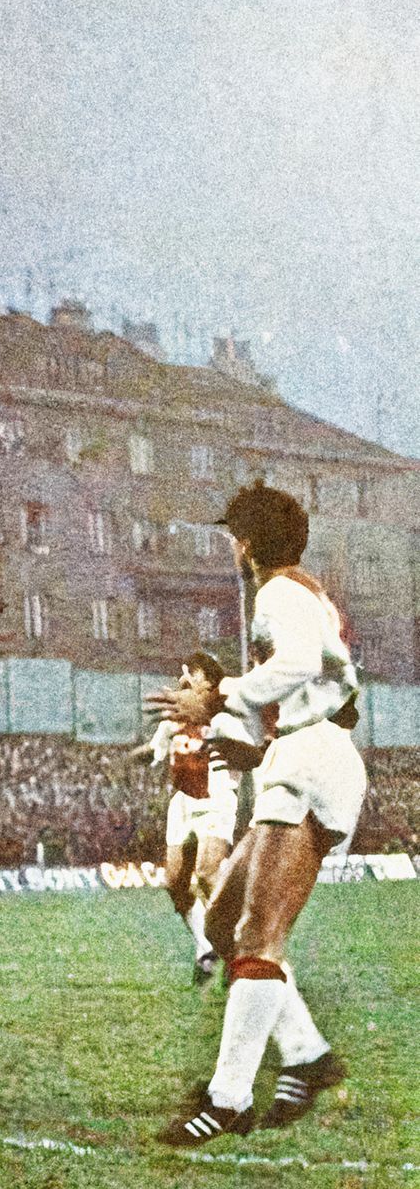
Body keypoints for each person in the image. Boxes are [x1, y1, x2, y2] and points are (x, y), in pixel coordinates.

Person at [150, 483, 363, 1145]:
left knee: (255, 934)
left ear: (245, 543)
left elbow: (298, 666)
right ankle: (304, 1056)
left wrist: (218, 696)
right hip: (298, 754)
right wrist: (243, 732)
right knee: (219, 921)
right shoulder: (302, 591)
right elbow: (312, 677)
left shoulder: (276, 593)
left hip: (311, 757)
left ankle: (228, 1097)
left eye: (232, 539)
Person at [130, 651, 256, 983]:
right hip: (182, 803)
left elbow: (250, 756)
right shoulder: (171, 722)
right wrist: (129, 756)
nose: (186, 679)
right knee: (175, 884)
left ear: (211, 685)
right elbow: (154, 752)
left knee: (207, 873)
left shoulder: (224, 721)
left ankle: (241, 949)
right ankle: (205, 948)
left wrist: (228, 749)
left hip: (216, 801)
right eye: (186, 674)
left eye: (196, 675)